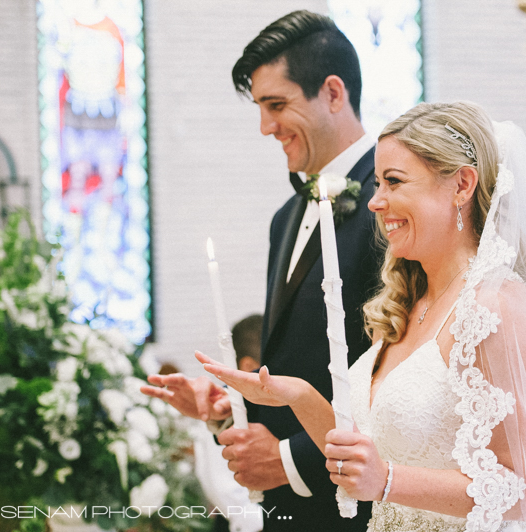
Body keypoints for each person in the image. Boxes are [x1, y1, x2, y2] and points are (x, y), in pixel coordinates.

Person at [200, 101, 526, 531]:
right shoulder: (409, 300)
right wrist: (297, 396)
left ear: (462, 185)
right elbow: (362, 449)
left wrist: (388, 481)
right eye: (376, 183)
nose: (376, 201)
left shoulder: (496, 305)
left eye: (393, 181)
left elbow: (523, 490)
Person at [142, 11, 380, 531]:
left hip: (356, 508)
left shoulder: (393, 203)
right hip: (287, 512)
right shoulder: (286, 217)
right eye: (260, 108)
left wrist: (291, 459)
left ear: (333, 93)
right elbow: (303, 358)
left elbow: (396, 379)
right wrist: (235, 405)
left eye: (277, 105)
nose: (265, 126)